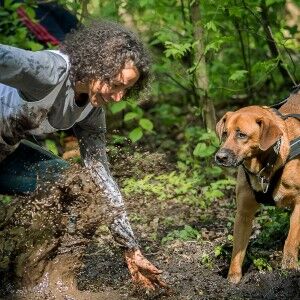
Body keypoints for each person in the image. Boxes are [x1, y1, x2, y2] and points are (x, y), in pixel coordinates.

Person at [0, 20, 165, 291]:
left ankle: (50, 282)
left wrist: (131, 249)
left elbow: (102, 178)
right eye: (116, 84)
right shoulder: (49, 71)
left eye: (127, 89)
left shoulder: (91, 111)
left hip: (6, 156)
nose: (119, 97)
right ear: (96, 64)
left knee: (80, 187)